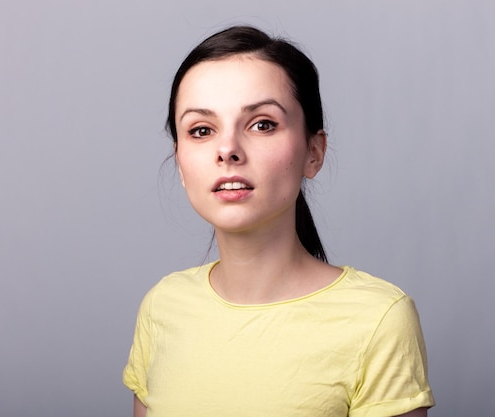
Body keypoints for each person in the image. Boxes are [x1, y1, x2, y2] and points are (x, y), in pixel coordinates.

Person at [123, 25, 435, 417]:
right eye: (201, 130)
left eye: (262, 124)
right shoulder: (162, 306)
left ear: (313, 152)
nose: (228, 150)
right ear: (181, 163)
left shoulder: (379, 320)